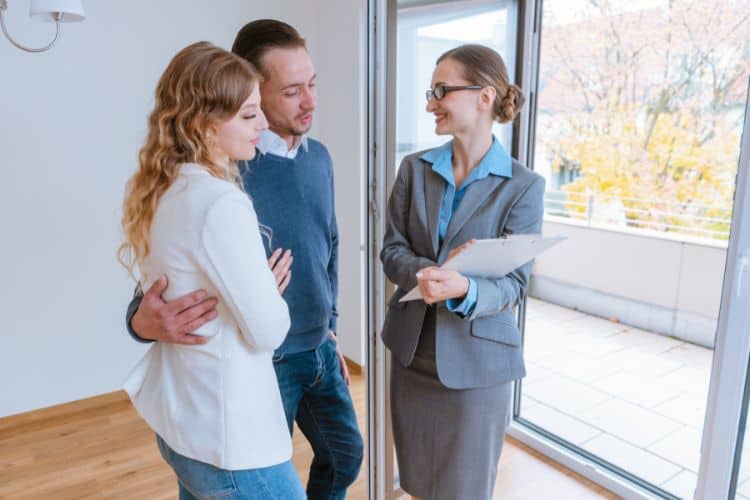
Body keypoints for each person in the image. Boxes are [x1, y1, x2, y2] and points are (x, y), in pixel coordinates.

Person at [124, 20, 363, 500]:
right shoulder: (226, 177)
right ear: (248, 90)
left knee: (344, 455)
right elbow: (161, 285)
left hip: (317, 346)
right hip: (261, 361)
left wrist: (330, 326)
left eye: (312, 84)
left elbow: (329, 246)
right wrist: (140, 322)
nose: (311, 101)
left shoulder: (320, 160)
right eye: (293, 91)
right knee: (239, 471)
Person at [380, 44, 545, 500]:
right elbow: (391, 249)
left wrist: (465, 288)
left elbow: (513, 283)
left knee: (464, 489)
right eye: (431, 92)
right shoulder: (413, 170)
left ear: (484, 96)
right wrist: (427, 275)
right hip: (413, 355)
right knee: (417, 481)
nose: (431, 103)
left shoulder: (523, 187)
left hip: (479, 367)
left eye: (441, 90)